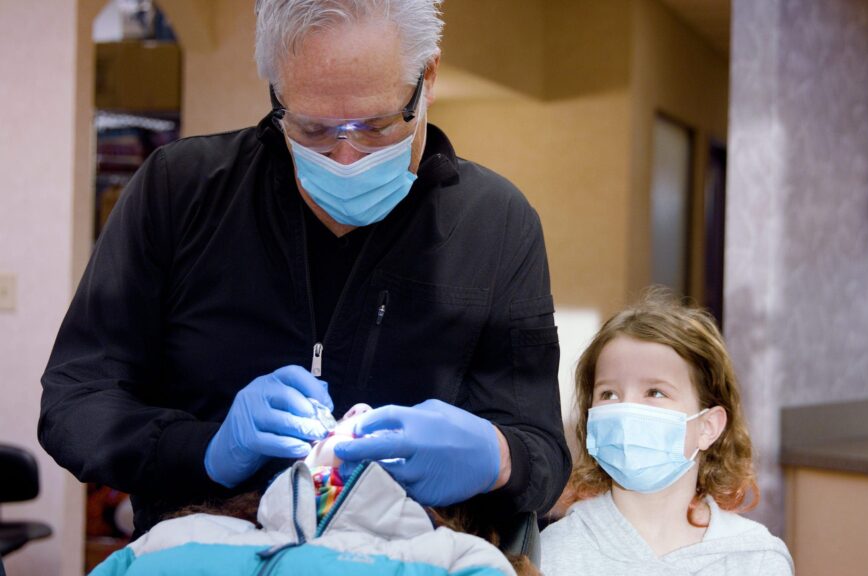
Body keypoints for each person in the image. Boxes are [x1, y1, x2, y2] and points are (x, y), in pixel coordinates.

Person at [39, 0, 568, 538]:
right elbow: (74, 404)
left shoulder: (496, 223)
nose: (345, 157)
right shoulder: (179, 192)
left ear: (427, 77)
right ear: (275, 93)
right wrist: (208, 450)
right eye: (313, 129)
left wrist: (498, 457)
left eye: (377, 127)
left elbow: (542, 450)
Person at [87, 404, 539, 575]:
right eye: (344, 415)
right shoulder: (179, 536)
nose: (357, 410)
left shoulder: (451, 557)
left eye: (368, 412)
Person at [539, 289, 793, 575]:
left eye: (655, 392)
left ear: (708, 427)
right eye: (609, 394)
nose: (627, 410)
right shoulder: (555, 552)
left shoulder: (755, 560)